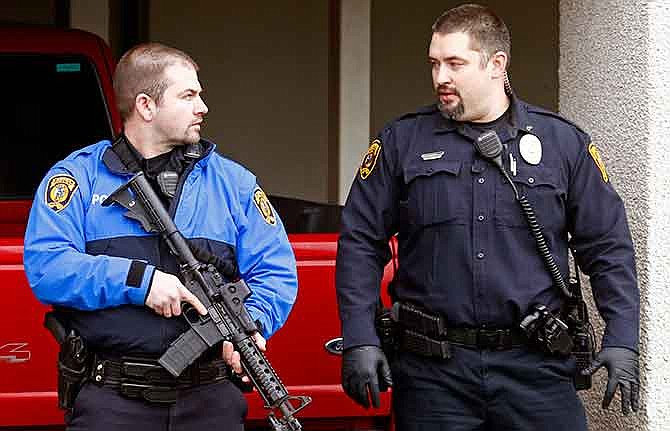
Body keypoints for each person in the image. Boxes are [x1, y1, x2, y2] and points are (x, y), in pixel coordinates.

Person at [335, 4, 640, 430]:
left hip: (536, 370)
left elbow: (607, 246)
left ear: (497, 64)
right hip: (433, 376)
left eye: (455, 63)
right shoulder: (402, 142)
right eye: (434, 63)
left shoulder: (561, 144)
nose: (441, 76)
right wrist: (360, 337)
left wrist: (623, 336)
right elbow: (359, 243)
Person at [23, 43, 298, 430]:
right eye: (188, 95)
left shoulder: (233, 184)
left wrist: (252, 323)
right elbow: (47, 267)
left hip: (210, 400)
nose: (203, 107)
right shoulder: (77, 179)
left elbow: (276, 273)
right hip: (113, 400)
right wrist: (139, 282)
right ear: (146, 106)